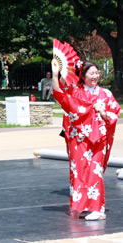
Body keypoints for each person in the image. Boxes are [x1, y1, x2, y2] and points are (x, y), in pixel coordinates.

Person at [51, 58, 120, 221]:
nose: (95, 76)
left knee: (95, 172)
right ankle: (84, 206)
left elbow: (114, 112)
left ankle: (98, 208)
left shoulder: (106, 94)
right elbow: (59, 94)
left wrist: (102, 112)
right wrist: (56, 74)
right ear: (83, 75)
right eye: (92, 73)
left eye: (97, 73)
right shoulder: (75, 92)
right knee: (79, 171)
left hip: (98, 139)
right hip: (79, 140)